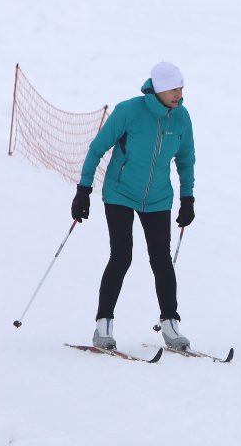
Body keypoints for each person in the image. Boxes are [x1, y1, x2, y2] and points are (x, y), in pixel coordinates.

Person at [71, 61, 196, 350]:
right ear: (159, 89)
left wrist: (187, 198)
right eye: (174, 88)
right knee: (122, 255)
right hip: (120, 193)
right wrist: (83, 189)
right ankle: (103, 326)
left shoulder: (182, 118)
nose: (179, 94)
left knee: (161, 260)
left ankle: (170, 325)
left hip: (158, 198)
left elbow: (186, 159)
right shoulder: (129, 111)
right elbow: (97, 147)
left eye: (181, 88)